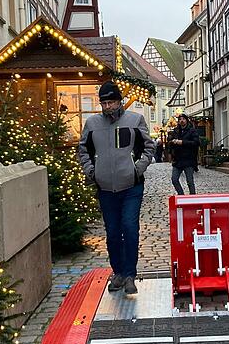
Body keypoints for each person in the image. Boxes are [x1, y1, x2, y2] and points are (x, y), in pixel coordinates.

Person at [78, 81, 155, 295]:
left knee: (129, 228)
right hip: (105, 188)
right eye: (103, 103)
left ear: (119, 102)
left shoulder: (134, 119)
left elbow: (149, 146)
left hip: (131, 186)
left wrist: (137, 169)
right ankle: (118, 272)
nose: (107, 106)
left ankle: (130, 274)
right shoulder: (92, 123)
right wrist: (91, 172)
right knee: (112, 232)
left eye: (111, 102)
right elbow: (83, 149)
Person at [167, 113, 199, 195]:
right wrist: (172, 142)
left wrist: (182, 142)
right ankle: (181, 195)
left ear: (186, 120)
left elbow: (196, 143)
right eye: (180, 119)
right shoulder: (176, 131)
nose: (181, 121)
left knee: (190, 181)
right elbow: (170, 142)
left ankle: (193, 198)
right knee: (174, 179)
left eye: (183, 119)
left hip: (189, 159)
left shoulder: (192, 131)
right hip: (178, 160)